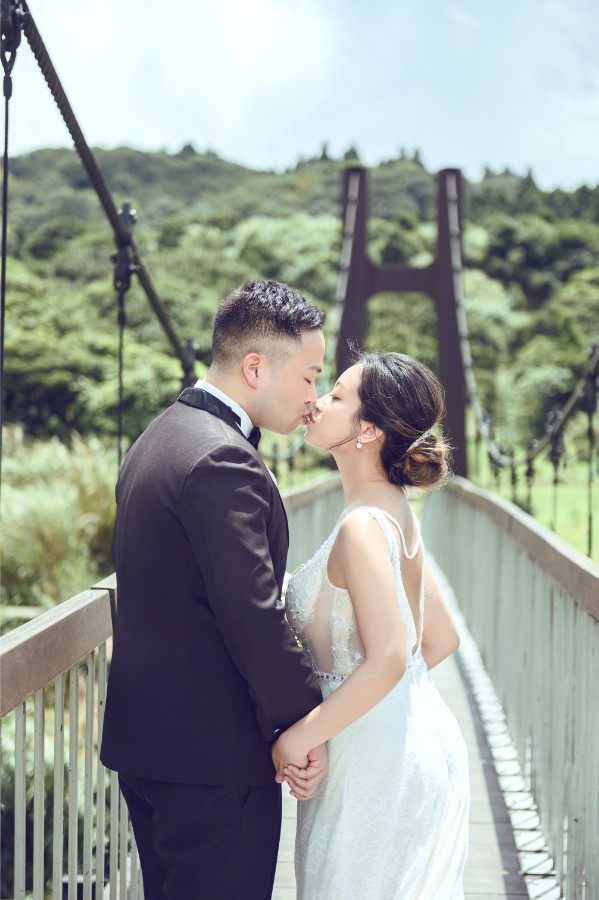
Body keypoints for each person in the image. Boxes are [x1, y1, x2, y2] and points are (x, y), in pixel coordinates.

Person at [101, 280, 329, 900]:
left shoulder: (158, 437)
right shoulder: (222, 460)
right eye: (309, 376)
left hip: (151, 748)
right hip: (214, 761)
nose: (314, 397)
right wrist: (304, 726)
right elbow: (252, 615)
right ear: (255, 366)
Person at [273, 351, 470, 900]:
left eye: (336, 395)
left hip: (374, 768)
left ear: (366, 429)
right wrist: (366, 711)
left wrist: (300, 738)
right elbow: (439, 639)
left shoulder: (362, 527)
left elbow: (388, 659)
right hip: (415, 740)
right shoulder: (396, 514)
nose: (316, 402)